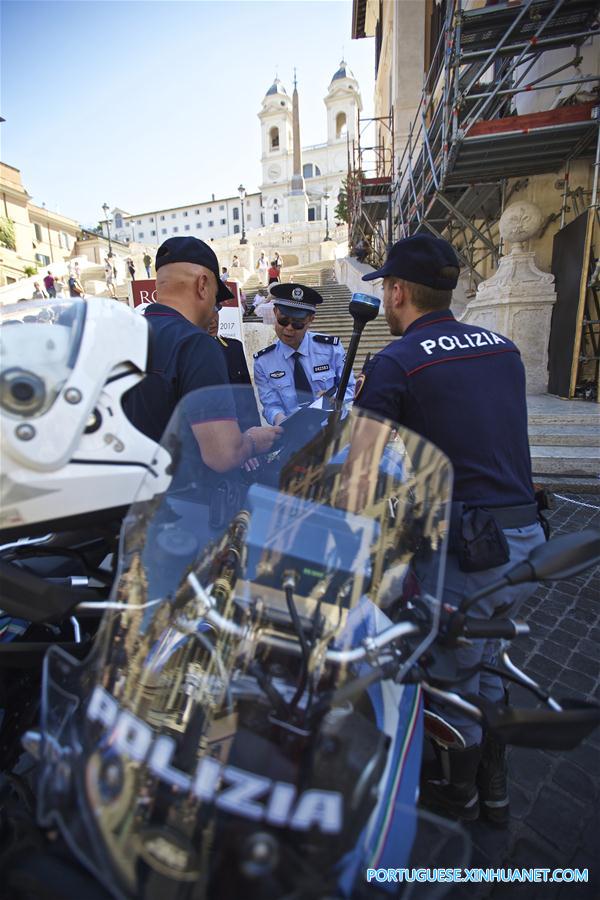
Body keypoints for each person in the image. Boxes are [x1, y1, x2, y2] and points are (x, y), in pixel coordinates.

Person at [352, 233, 546, 824]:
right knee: (488, 668)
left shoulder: (397, 361)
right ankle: (495, 792)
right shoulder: (503, 347)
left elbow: (357, 472)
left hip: (464, 553)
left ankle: (451, 801)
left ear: (397, 291)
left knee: (448, 677)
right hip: (525, 538)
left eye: (386, 290)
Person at [123, 236, 281, 466]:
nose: (213, 311)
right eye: (216, 298)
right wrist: (253, 441)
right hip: (187, 496)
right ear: (202, 285)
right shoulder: (196, 345)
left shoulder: (125, 335)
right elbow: (223, 455)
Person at [253, 282, 356, 425]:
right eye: (283, 321)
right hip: (295, 436)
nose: (289, 328)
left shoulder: (331, 349)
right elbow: (271, 405)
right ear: (275, 312)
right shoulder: (263, 362)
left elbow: (351, 387)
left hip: (333, 430)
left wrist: (335, 398)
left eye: (297, 323)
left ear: (310, 320)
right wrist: (280, 420)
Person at [207, 307, 261, 433]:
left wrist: (255, 431)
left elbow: (247, 398)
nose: (212, 321)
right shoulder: (185, 353)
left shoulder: (234, 347)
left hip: (241, 433)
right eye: (205, 314)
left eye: (215, 312)